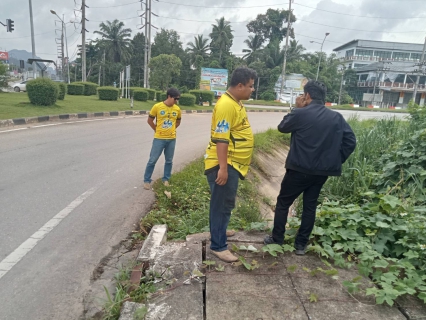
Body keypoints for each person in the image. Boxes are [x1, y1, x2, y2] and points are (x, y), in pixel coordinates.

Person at [264, 80, 357, 255]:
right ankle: (301, 245)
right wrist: (336, 160)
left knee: (284, 202)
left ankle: (277, 239)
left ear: (307, 95)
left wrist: (297, 109)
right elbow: (351, 141)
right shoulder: (336, 117)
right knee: (310, 206)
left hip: (298, 169)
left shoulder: (301, 114)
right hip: (322, 172)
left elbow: (282, 127)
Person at [204, 67, 257, 263]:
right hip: (225, 164)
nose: (252, 90)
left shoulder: (236, 103)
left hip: (233, 164)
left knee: (226, 203)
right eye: (250, 86)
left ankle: (220, 231)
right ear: (240, 85)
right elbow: (222, 139)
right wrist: (223, 168)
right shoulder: (226, 105)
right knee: (221, 205)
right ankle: (218, 246)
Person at [143, 88, 182, 190]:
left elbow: (178, 122)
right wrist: (156, 129)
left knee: (169, 161)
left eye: (178, 99)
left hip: (171, 139)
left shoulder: (177, 109)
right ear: (169, 96)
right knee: (152, 160)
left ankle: (166, 179)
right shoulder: (157, 107)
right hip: (159, 139)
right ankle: (147, 180)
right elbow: (150, 120)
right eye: (175, 98)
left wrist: (171, 129)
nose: (176, 101)